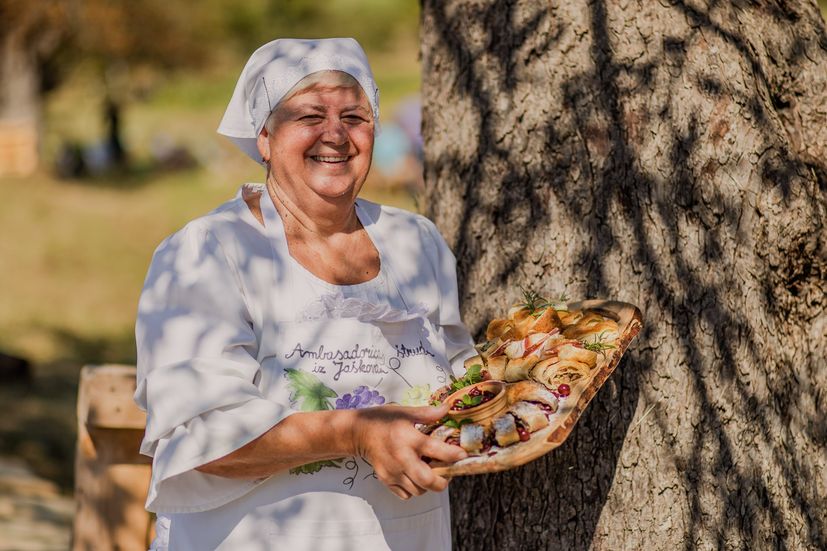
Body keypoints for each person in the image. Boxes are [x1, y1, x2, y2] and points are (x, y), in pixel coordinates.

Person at [134, 38, 476, 550]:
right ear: (265, 138)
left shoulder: (415, 241)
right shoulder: (206, 252)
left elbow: (461, 377)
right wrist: (357, 432)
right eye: (310, 115)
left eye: (355, 117)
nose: (335, 134)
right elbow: (198, 438)